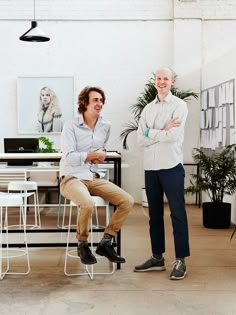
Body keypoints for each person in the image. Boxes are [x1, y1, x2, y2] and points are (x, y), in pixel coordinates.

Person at [60, 86, 134, 265]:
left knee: (127, 201)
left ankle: (106, 242)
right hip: (71, 177)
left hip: (92, 176)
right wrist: (92, 155)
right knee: (87, 204)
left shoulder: (105, 125)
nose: (99, 103)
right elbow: (68, 157)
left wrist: (100, 154)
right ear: (85, 102)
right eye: (95, 100)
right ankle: (82, 244)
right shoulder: (71, 125)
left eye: (101, 100)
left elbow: (100, 149)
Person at [134, 67, 190, 280]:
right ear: (154, 81)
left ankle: (181, 260)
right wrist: (160, 131)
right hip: (151, 168)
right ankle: (157, 257)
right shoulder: (147, 109)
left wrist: (151, 132)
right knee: (154, 215)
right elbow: (140, 139)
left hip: (171, 167)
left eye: (166, 78)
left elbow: (173, 136)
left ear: (172, 82)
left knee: (178, 214)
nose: (162, 82)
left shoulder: (179, 106)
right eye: (159, 78)